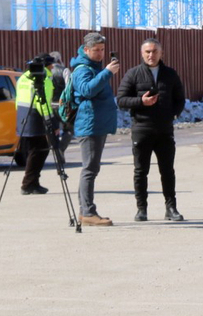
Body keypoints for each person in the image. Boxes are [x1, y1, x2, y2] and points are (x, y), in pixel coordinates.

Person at [116, 39, 187, 222]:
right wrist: (141, 102)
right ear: (142, 53)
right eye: (147, 51)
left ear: (161, 53)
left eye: (154, 51)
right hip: (142, 129)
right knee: (141, 171)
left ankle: (171, 208)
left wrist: (173, 115)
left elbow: (180, 99)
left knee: (167, 170)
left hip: (164, 130)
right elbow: (121, 100)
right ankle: (142, 209)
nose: (151, 55)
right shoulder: (133, 74)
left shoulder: (170, 74)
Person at [67, 32, 120, 227]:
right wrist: (106, 73)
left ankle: (86, 210)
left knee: (92, 168)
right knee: (89, 169)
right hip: (89, 125)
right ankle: (88, 212)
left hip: (97, 124)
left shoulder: (95, 67)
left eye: (102, 50)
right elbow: (87, 90)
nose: (100, 54)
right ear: (86, 50)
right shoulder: (82, 69)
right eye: (96, 50)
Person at [15, 54, 57, 195]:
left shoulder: (23, 77)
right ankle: (28, 184)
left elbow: (18, 100)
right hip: (35, 118)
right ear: (45, 65)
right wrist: (51, 122)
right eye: (51, 64)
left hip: (23, 116)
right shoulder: (43, 79)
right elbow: (43, 104)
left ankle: (32, 183)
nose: (52, 67)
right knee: (39, 150)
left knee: (35, 150)